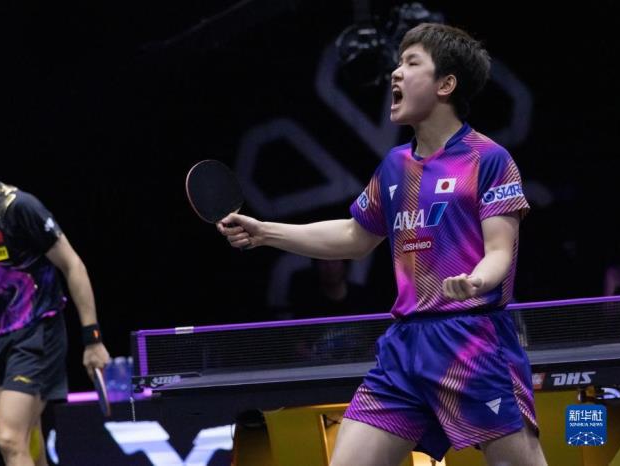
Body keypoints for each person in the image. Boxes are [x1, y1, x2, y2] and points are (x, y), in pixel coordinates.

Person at [217, 23, 546, 465]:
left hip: (472, 341)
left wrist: (475, 281)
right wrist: (266, 232)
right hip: (406, 347)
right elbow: (355, 237)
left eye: (411, 63)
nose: (395, 72)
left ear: (446, 84)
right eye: (398, 63)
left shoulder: (488, 159)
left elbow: (500, 251)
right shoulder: (394, 166)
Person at [0, 116, 110, 466]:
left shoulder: (16, 207)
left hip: (36, 334)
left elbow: (73, 265)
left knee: (8, 437)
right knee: (25, 441)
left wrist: (93, 338)